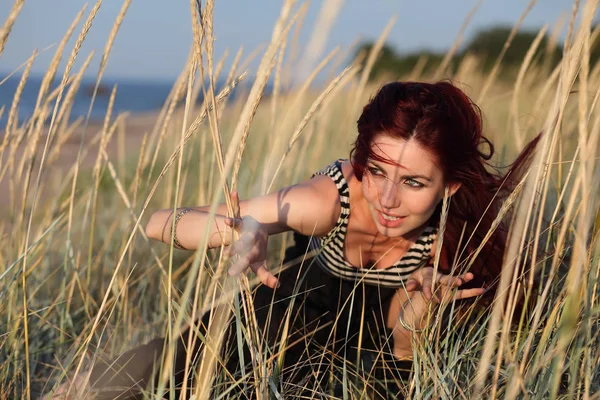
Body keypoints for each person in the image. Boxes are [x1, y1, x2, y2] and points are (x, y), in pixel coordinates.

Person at [50, 81, 540, 399]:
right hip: (289, 313)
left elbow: (401, 354)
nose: (388, 198)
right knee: (146, 372)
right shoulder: (325, 200)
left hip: (373, 353)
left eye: (413, 182)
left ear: (448, 186)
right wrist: (241, 230)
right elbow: (160, 221)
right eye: (376, 172)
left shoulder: (452, 242)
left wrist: (417, 316)